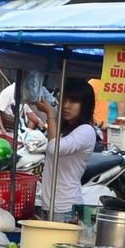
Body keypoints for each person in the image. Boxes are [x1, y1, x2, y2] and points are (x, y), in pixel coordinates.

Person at [32, 80, 98, 220]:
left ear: (85, 105)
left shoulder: (86, 131)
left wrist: (50, 114)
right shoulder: (64, 129)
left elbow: (54, 149)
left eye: (74, 101)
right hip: (50, 205)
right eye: (64, 100)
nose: (66, 105)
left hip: (66, 208)